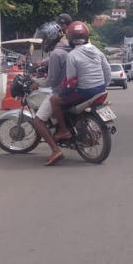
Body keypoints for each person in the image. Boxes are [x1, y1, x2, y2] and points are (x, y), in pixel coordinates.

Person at [49, 21, 111, 159]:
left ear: (70, 38)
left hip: (84, 92)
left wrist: (60, 92)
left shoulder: (72, 55)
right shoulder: (97, 51)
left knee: (54, 100)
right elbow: (107, 71)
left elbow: (71, 80)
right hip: (100, 91)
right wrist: (103, 86)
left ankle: (64, 131)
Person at [30, 16, 73, 164]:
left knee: (38, 121)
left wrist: (37, 83)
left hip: (61, 90)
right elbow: (60, 56)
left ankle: (55, 150)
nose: (43, 42)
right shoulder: (68, 46)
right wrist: (42, 61)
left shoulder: (56, 54)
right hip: (74, 87)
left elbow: (51, 81)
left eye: (44, 39)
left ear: (50, 39)